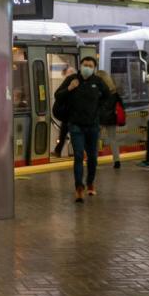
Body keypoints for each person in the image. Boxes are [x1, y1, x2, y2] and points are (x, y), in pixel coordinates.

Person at [54, 57, 111, 203]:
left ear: (94, 68)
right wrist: (69, 88)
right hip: (75, 125)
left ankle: (90, 182)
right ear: (80, 65)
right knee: (78, 155)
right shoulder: (72, 79)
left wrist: (99, 113)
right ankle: (79, 187)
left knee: (93, 158)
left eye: (90, 66)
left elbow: (108, 98)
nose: (87, 67)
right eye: (85, 65)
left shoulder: (98, 82)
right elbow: (58, 96)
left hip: (92, 126)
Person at [94, 70, 124, 169]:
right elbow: (121, 105)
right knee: (113, 139)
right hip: (111, 118)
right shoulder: (114, 92)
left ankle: (94, 161)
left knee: (95, 140)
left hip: (99, 118)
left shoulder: (98, 91)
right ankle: (117, 161)